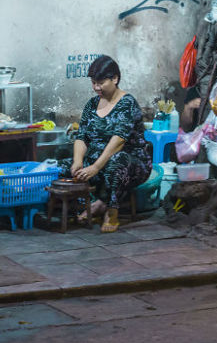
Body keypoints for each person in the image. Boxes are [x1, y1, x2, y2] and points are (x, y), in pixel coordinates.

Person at [61, 55, 152, 232]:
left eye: (101, 83)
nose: (96, 87)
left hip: (131, 163)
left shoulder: (127, 103)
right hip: (98, 161)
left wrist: (95, 167)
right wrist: (78, 161)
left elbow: (118, 140)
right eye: (93, 83)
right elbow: (82, 137)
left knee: (117, 162)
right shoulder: (92, 104)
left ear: (115, 79)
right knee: (62, 167)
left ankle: (112, 212)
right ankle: (91, 205)